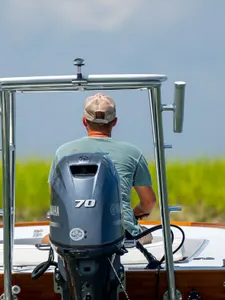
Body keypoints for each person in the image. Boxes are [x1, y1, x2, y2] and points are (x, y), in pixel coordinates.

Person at [48, 92, 156, 244]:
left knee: (47, 240)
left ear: (84, 121)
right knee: (147, 235)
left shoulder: (63, 152)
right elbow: (148, 202)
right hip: (123, 234)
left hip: (73, 234)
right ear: (115, 122)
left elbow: (55, 197)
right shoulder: (132, 153)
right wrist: (134, 213)